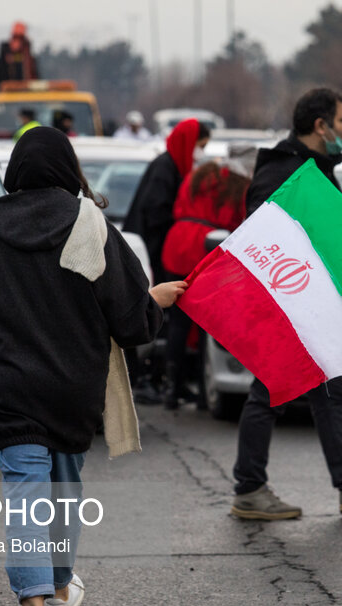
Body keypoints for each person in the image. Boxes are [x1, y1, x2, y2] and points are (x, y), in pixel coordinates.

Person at [0, 126, 186, 606]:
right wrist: (156, 302)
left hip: (10, 389)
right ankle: (54, 596)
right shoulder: (90, 225)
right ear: (68, 168)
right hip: (73, 389)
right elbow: (129, 320)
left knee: (26, 496)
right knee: (62, 492)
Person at [230, 87, 342, 521]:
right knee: (271, 390)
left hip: (312, 306)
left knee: (329, 390)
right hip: (288, 306)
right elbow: (263, 236)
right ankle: (251, 488)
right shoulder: (285, 172)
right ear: (320, 125)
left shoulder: (313, 168)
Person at [122, 119, 210, 403]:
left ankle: (169, 379)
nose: (200, 152)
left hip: (159, 250)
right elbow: (154, 214)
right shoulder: (165, 168)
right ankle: (158, 378)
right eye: (200, 146)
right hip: (155, 253)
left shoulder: (172, 165)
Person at [160, 158, 251, 409]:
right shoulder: (235, 184)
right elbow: (238, 221)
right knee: (204, 324)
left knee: (177, 323)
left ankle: (172, 388)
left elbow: (177, 204)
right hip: (206, 246)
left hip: (177, 242)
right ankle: (202, 389)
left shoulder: (195, 176)